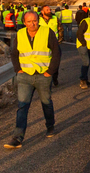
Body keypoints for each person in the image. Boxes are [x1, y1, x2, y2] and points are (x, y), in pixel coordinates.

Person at [5, 11, 62, 148]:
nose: (32, 24)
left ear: (38, 20)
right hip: (25, 76)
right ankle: (17, 137)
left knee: (46, 103)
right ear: (24, 23)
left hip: (43, 75)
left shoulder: (47, 32)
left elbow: (56, 53)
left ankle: (50, 126)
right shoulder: (20, 34)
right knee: (22, 106)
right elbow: (14, 53)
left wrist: (50, 72)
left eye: (35, 20)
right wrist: (18, 69)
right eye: (29, 21)